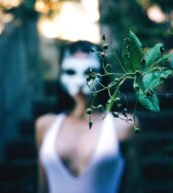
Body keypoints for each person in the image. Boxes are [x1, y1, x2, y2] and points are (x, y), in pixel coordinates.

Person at [35, 41, 141, 193]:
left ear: (102, 74)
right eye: (71, 72)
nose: (80, 81)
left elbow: (134, 187)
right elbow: (43, 188)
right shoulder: (45, 125)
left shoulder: (124, 126)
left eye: (89, 73)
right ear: (61, 74)